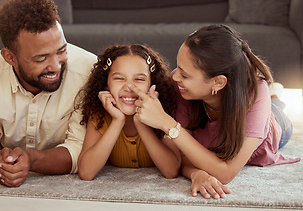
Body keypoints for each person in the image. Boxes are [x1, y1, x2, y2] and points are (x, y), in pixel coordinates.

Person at [129, 24, 301, 199]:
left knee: (276, 109)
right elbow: (185, 156)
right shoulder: (180, 86)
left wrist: (167, 123)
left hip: (270, 131)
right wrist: (198, 174)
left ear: (218, 82)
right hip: (217, 126)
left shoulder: (254, 93)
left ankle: (275, 97)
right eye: (178, 67)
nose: (175, 76)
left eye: (185, 74)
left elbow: (226, 173)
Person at [0, 0, 97, 187]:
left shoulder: (88, 72)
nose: (56, 65)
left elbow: (81, 150)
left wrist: (30, 160)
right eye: (41, 58)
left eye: (61, 51)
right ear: (9, 57)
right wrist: (0, 162)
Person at [77, 44, 182, 180]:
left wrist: (140, 121)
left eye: (139, 79)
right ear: (106, 84)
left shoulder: (164, 112)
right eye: (119, 78)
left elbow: (171, 171)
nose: (129, 86)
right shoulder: (99, 114)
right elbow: (86, 172)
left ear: (152, 85)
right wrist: (117, 121)